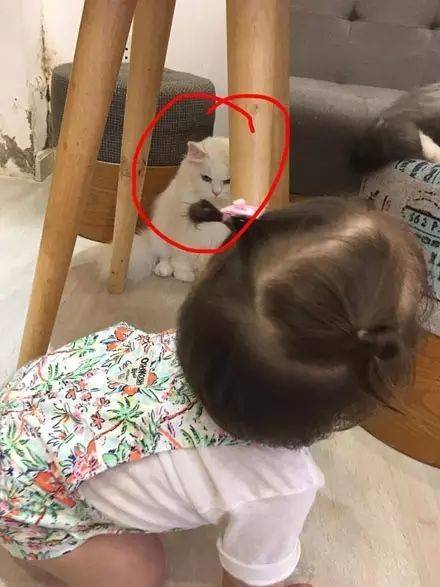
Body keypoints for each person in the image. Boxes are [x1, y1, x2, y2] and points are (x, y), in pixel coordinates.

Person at [0, 197, 430, 587]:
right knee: (139, 572)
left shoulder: (217, 350)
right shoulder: (280, 487)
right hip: (23, 498)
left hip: (30, 400)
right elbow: (243, 582)